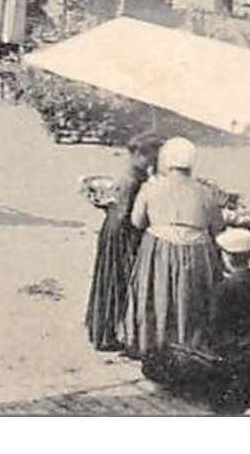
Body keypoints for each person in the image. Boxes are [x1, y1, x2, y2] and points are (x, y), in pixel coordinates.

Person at [121, 136, 225, 358]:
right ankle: (190, 345)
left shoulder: (151, 188)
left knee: (158, 297)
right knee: (192, 299)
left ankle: (155, 344)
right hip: (196, 251)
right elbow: (218, 227)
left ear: (165, 161)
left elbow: (137, 222)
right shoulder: (206, 192)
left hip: (159, 249)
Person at [84, 132, 162, 351]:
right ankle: (109, 334)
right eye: (152, 157)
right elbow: (128, 215)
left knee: (109, 281)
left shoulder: (131, 174)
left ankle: (102, 332)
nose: (154, 162)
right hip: (121, 235)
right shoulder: (133, 179)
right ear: (140, 154)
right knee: (118, 282)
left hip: (113, 230)